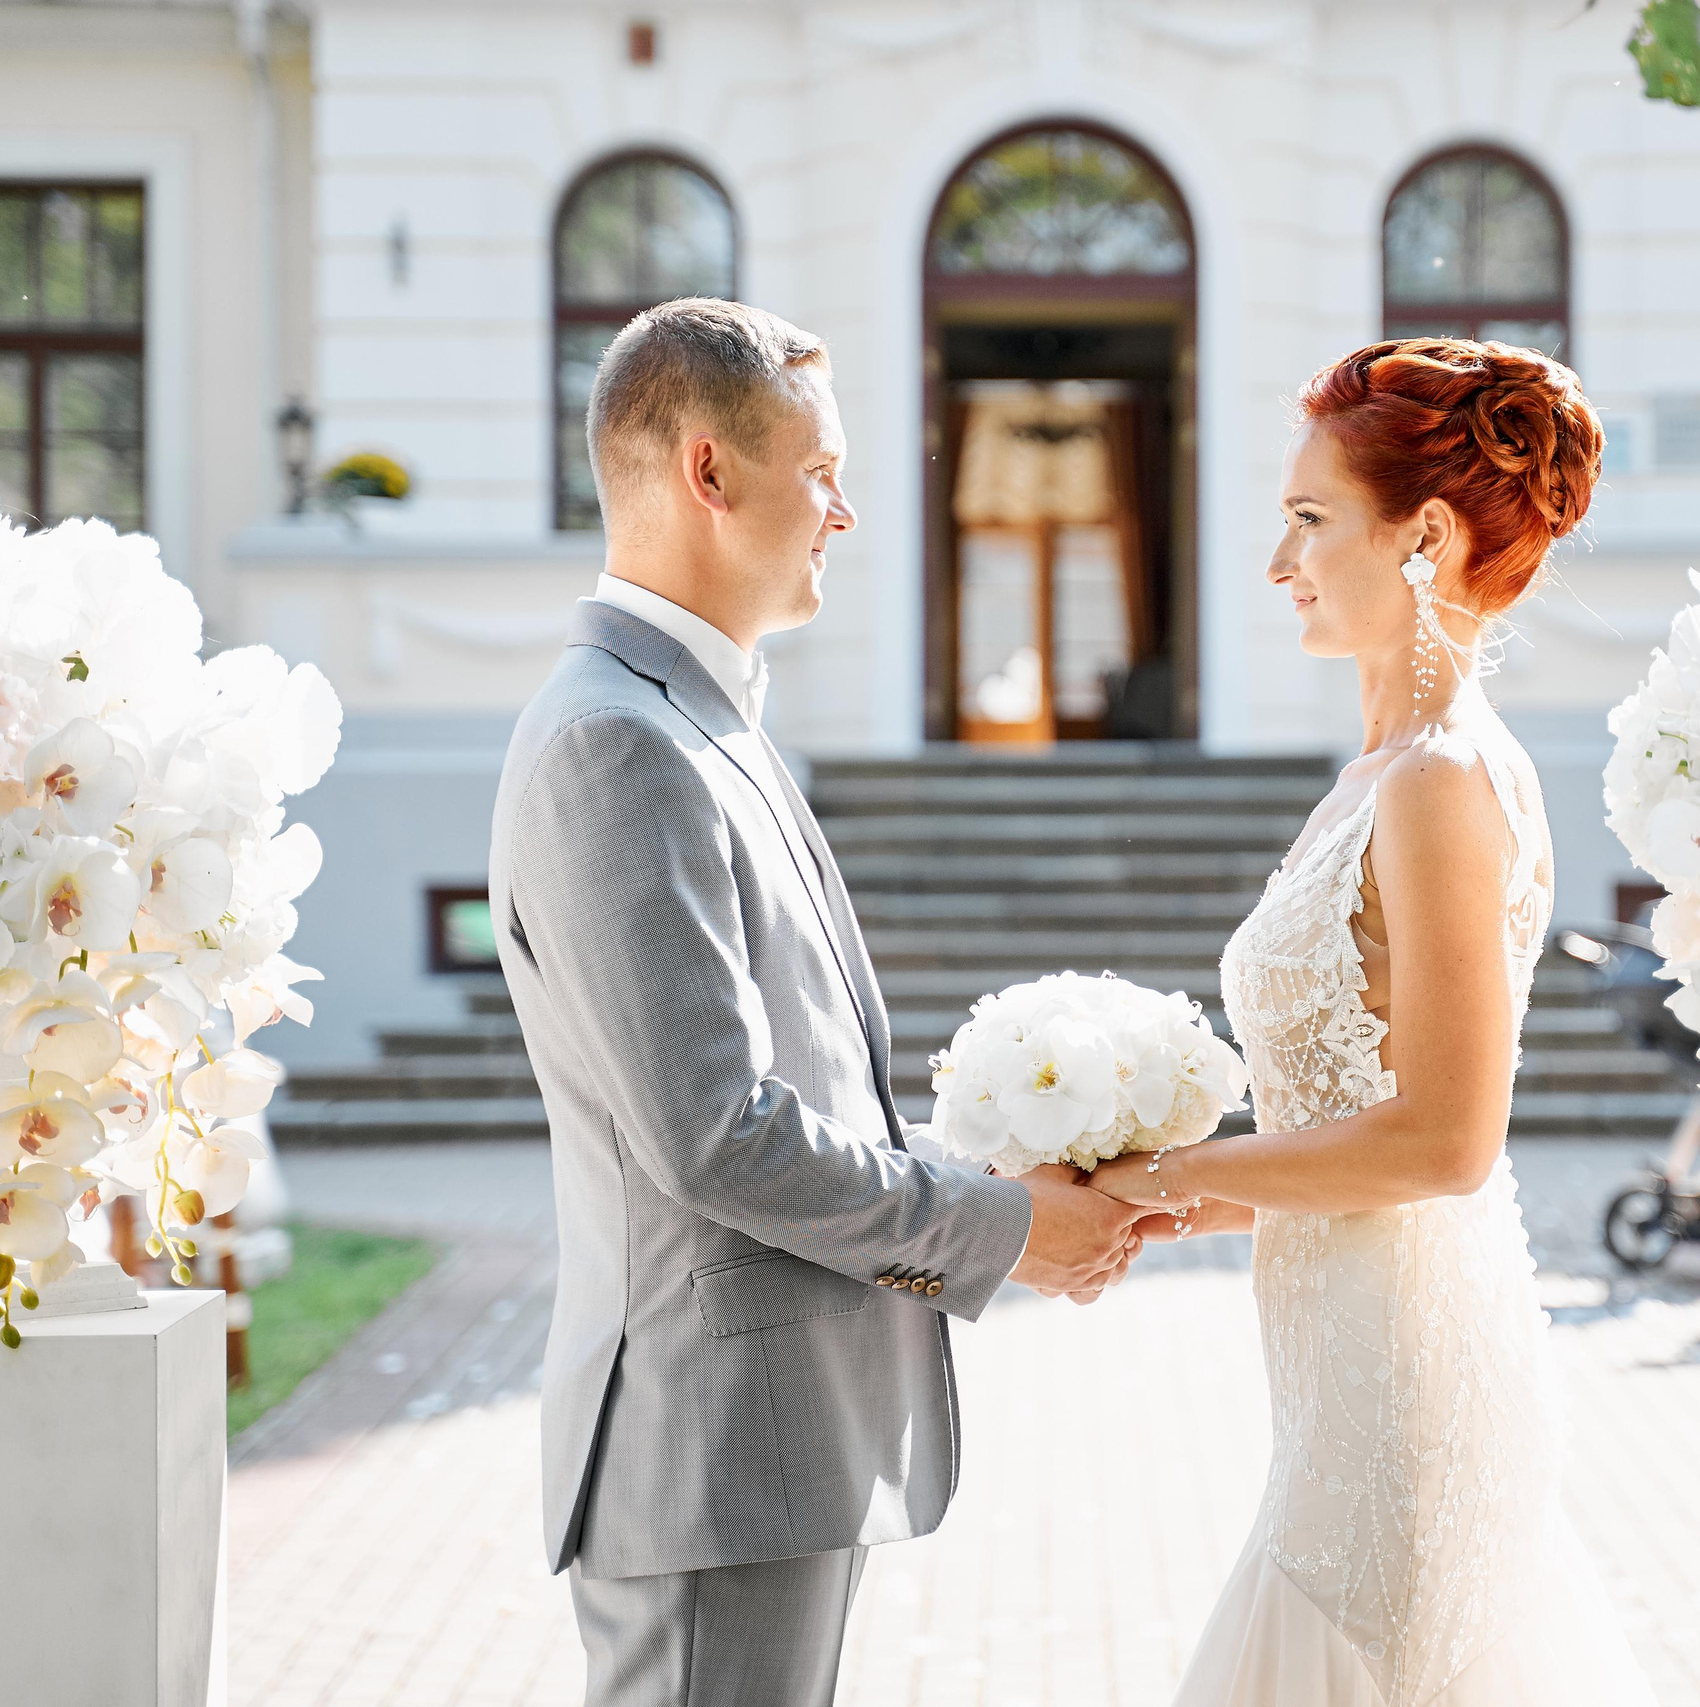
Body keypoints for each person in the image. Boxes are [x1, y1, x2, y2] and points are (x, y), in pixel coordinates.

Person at [487, 298, 1159, 1707]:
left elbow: (807, 1079)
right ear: (709, 473)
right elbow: (717, 1132)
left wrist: (989, 1176)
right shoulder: (621, 741)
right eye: (823, 470)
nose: (847, 512)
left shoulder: (700, 714)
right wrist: (1007, 1228)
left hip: (770, 1452)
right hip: (709, 1455)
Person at [1086, 339, 1658, 1704]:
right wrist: (1128, 1205)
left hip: (1406, 1393)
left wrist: (1158, 1180)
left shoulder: (1442, 781)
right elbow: (1335, 1139)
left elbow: (1444, 1143)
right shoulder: (1382, 774)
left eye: (1307, 521)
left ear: (1429, 536)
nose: (1278, 562)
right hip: (1339, 1374)